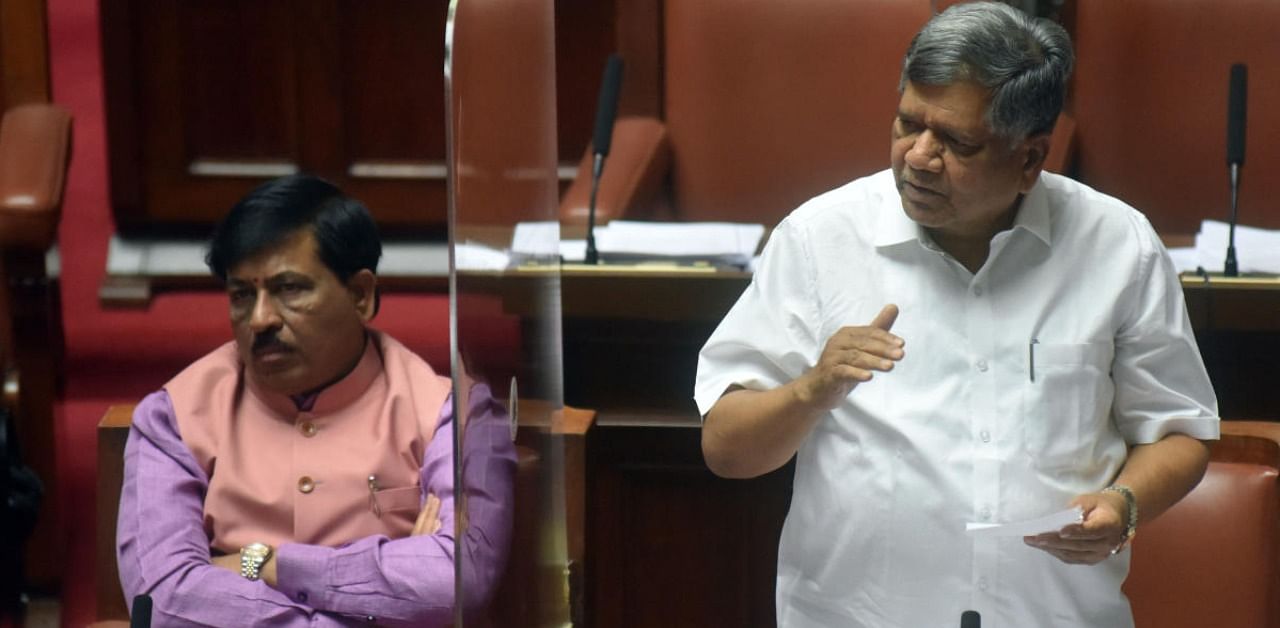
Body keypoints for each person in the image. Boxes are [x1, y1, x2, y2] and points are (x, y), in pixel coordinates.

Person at [695, 3, 1218, 627]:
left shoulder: (1118, 244)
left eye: (956, 142)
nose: (918, 156)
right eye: (906, 124)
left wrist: (1124, 504)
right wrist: (812, 390)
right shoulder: (819, 238)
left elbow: (1182, 430)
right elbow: (726, 449)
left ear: (1030, 160)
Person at [117, 175, 516, 626]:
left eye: (290, 289)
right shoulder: (173, 417)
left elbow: (457, 581)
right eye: (242, 295)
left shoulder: (448, 415)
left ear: (361, 296)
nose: (261, 319)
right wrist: (382, 595)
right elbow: (164, 598)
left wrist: (262, 562)